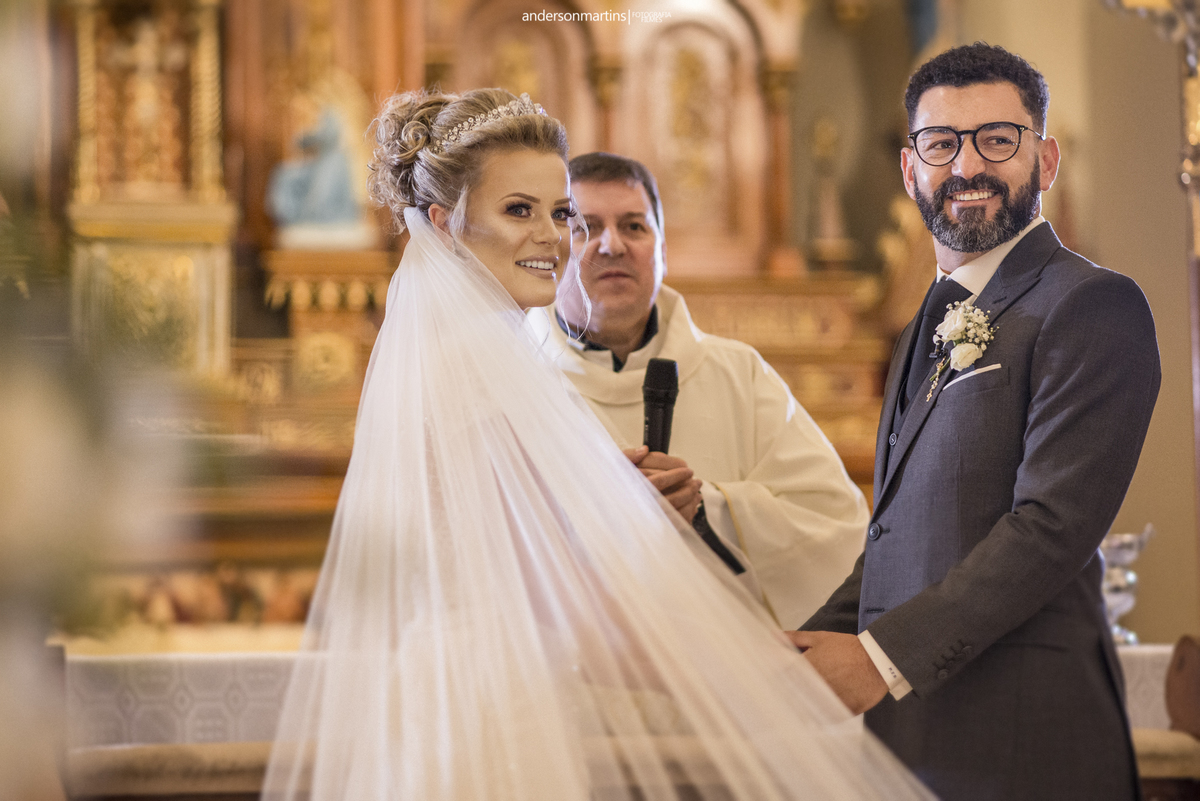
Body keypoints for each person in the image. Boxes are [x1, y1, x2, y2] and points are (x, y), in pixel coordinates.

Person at [260, 87, 932, 800]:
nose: (553, 237)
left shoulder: (478, 361)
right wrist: (764, 672)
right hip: (484, 712)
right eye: (518, 210)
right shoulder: (471, 377)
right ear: (444, 222)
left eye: (558, 214)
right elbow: (573, 615)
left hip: (486, 698)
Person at [791, 44, 1160, 800]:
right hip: (912, 745)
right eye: (941, 143)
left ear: (1045, 160)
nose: (967, 166)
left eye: (997, 140)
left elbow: (1049, 528)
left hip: (1025, 747)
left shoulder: (1091, 305)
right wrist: (793, 651)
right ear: (910, 170)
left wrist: (878, 659)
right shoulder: (919, 328)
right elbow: (897, 541)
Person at [528, 153, 868, 630]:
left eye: (634, 226)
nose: (612, 245)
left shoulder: (739, 373)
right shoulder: (516, 376)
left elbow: (836, 525)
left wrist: (708, 510)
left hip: (722, 656)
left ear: (662, 251)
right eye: (587, 227)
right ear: (554, 250)